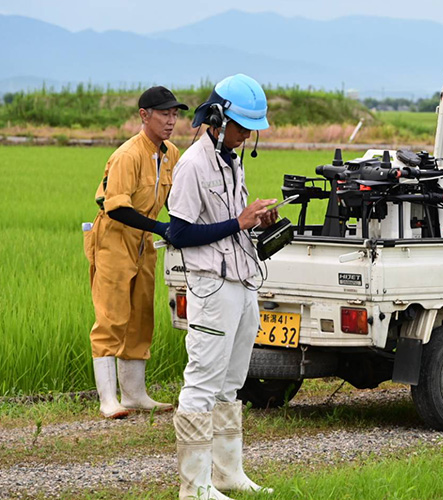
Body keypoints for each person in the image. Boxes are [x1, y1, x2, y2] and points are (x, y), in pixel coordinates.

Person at [167, 74, 278, 499]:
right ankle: (194, 487)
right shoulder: (193, 165)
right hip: (211, 286)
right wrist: (239, 221)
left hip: (243, 280)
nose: (247, 134)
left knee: (232, 382)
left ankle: (229, 474)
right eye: (241, 126)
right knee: (202, 383)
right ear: (216, 118)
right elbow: (179, 233)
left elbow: (236, 223)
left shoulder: (233, 160)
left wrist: (256, 219)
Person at [85, 86, 188, 419]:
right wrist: (161, 228)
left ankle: (134, 394)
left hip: (144, 241)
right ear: (144, 115)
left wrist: (179, 225)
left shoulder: (170, 152)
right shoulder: (127, 155)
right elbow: (115, 208)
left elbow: (172, 197)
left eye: (175, 114)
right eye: (164, 114)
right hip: (114, 238)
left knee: (142, 314)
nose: (172, 121)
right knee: (112, 314)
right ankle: (107, 400)